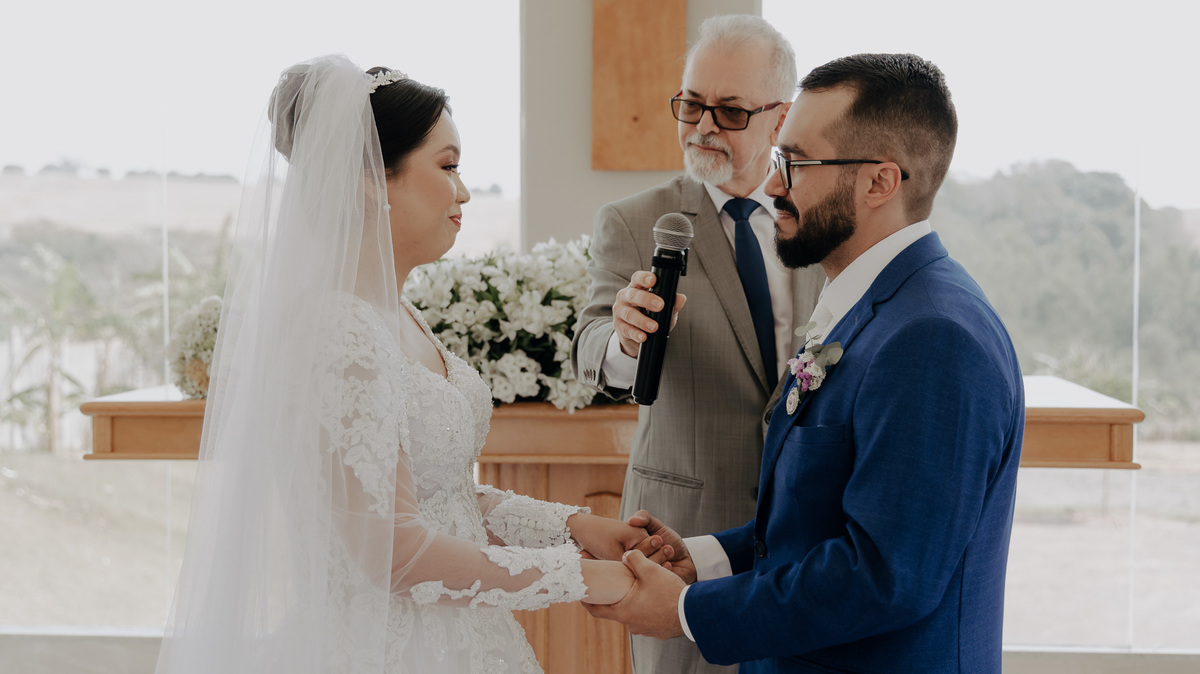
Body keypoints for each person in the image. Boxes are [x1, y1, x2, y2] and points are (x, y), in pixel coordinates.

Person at [154, 55, 660, 674]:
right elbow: (391, 548)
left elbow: (439, 497)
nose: (465, 191)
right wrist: (583, 578)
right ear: (373, 177)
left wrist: (575, 526)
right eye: (447, 166)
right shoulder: (336, 332)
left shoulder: (397, 314)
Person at [588, 53, 1025, 674]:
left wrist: (688, 611)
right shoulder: (868, 303)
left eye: (795, 164)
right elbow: (816, 523)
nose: (771, 185)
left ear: (880, 182)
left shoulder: (932, 337)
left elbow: (883, 574)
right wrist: (704, 558)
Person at [572, 17, 824, 672]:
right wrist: (627, 341)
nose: (703, 126)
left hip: (803, 537)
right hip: (677, 536)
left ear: (781, 117)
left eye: (731, 111)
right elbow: (590, 347)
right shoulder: (635, 220)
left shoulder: (821, 224)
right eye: (690, 105)